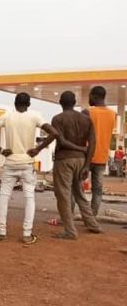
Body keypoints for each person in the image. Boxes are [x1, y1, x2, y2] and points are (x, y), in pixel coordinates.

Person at [0, 92, 58, 244]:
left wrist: (1, 149)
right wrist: (38, 148)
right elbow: (54, 133)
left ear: (15, 103)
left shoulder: (7, 116)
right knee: (29, 198)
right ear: (29, 104)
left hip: (10, 162)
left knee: (4, 196)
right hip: (27, 162)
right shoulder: (35, 116)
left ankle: (1, 231)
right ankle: (27, 234)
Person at [50, 91, 101, 240]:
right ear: (75, 102)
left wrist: (79, 150)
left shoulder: (58, 119)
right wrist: (87, 164)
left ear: (60, 102)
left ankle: (70, 231)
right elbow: (93, 143)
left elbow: (62, 142)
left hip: (64, 160)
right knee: (80, 193)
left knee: (63, 196)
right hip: (81, 161)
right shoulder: (86, 119)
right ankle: (93, 224)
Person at [84, 86, 116, 215]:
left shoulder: (87, 112)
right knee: (97, 190)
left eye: (90, 96)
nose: (88, 99)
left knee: (76, 187)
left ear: (95, 96)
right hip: (102, 157)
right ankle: (93, 216)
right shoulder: (113, 114)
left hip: (86, 155)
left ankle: (71, 214)